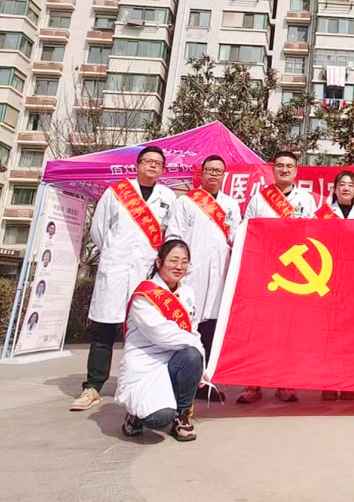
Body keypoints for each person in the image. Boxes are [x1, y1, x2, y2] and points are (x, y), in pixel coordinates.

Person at [71, 145, 177, 412]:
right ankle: (93, 387)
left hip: (145, 274)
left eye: (158, 163)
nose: (152, 166)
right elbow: (98, 230)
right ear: (137, 165)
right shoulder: (116, 192)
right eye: (147, 161)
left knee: (143, 330)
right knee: (104, 331)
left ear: (162, 169)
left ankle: (138, 384)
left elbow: (169, 234)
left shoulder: (168, 196)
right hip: (115, 272)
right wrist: (113, 254)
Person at [236, 151, 316, 404]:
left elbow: (315, 234)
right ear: (273, 169)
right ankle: (253, 382)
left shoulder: (306, 199)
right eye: (280, 165)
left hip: (295, 275)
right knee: (259, 329)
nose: (284, 170)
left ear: (296, 171)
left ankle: (285, 382)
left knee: (289, 329)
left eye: (289, 166)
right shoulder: (259, 198)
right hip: (264, 272)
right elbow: (246, 232)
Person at [165, 155, 242, 402]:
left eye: (218, 171)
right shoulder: (185, 202)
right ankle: (180, 379)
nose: (214, 174)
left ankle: (204, 381)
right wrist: (177, 268)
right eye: (209, 170)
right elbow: (174, 236)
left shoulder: (231, 205)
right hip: (191, 275)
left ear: (224, 175)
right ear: (202, 173)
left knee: (211, 329)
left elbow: (237, 238)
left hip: (219, 276)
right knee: (187, 326)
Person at [116, 239, 204, 442]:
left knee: (192, 356)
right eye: (173, 260)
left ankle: (182, 415)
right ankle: (135, 415)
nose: (179, 266)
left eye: (184, 261)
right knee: (159, 418)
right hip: (146, 363)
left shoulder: (188, 293)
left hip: (175, 359)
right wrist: (194, 344)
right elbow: (161, 333)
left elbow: (194, 330)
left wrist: (201, 359)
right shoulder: (144, 295)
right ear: (159, 262)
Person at [316, 169, 354, 400]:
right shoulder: (323, 214)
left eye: (350, 185)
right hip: (328, 277)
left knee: (352, 331)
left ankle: (349, 383)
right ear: (335, 189)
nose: (346, 188)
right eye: (342, 184)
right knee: (329, 331)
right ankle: (328, 383)